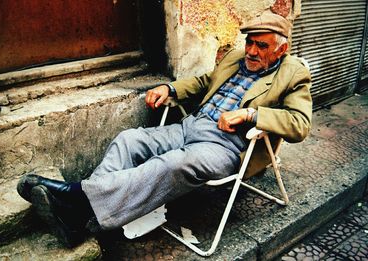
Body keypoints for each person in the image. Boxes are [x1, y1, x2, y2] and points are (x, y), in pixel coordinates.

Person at [17, 11, 312, 247]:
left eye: (262, 46)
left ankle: (77, 198)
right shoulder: (235, 58)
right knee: (129, 139)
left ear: (281, 49)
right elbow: (203, 84)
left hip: (227, 146)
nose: (251, 51)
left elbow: (300, 124)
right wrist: (169, 87)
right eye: (250, 42)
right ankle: (81, 216)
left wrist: (250, 114)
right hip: (190, 126)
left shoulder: (294, 73)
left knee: (173, 163)